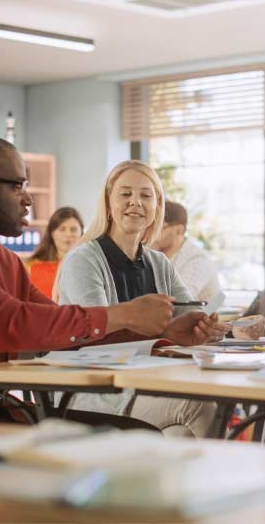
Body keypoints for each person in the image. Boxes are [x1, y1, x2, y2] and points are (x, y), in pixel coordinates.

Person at [0, 135, 214, 415]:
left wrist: (166, 334)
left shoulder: (6, 262)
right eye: (16, 187)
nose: (28, 199)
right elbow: (9, 324)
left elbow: (61, 325)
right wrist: (125, 313)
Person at [56, 160, 229, 437]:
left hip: (147, 384)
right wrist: (168, 334)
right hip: (95, 392)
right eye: (125, 194)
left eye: (146, 195)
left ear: (156, 207)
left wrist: (206, 329)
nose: (135, 202)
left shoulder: (159, 263)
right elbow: (97, 336)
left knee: (181, 435)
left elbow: (187, 316)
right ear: (109, 203)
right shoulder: (83, 260)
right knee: (201, 405)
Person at [151, 201, 224, 304]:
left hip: (208, 317)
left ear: (179, 230)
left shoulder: (198, 260)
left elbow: (179, 301)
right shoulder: (157, 255)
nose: (153, 233)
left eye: (160, 228)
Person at [26, 206, 84, 298]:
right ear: (52, 233)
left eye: (73, 230)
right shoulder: (32, 267)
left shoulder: (88, 267)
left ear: (81, 233)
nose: (68, 234)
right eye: (62, 229)